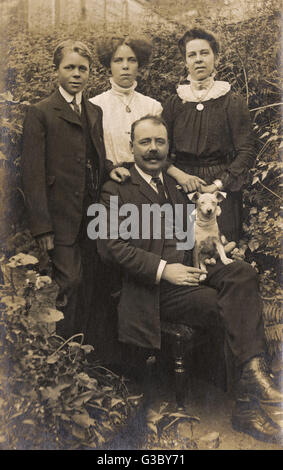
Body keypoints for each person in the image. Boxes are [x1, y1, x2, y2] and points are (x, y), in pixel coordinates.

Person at [97, 114, 283, 442]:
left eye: (160, 142)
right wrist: (163, 269)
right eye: (145, 142)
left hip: (191, 269)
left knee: (241, 273)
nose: (153, 149)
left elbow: (186, 235)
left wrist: (213, 249)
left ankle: (252, 375)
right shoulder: (116, 188)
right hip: (152, 287)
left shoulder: (174, 186)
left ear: (168, 147)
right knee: (222, 303)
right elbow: (110, 248)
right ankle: (247, 404)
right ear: (132, 146)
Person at [21, 39, 107, 342]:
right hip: (59, 218)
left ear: (90, 73)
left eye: (82, 69)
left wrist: (113, 171)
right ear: (56, 70)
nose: (76, 74)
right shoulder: (41, 112)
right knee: (68, 281)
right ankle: (60, 351)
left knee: (91, 284)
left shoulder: (94, 111)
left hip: (91, 215)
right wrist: (41, 227)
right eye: (69, 67)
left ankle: (83, 352)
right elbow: (31, 174)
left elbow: (97, 159)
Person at [162, 28, 256, 243]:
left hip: (221, 188)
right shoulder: (174, 103)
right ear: (185, 61)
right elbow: (160, 150)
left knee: (223, 248)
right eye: (191, 55)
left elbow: (246, 150)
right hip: (182, 187)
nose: (198, 60)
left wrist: (218, 184)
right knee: (184, 249)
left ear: (216, 57)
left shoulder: (231, 101)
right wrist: (180, 176)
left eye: (204, 53)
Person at [89, 36, 162, 183]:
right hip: (110, 181)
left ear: (139, 64)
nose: (125, 66)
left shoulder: (152, 106)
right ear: (109, 64)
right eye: (118, 60)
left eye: (132, 60)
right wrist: (110, 169)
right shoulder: (95, 106)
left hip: (146, 181)